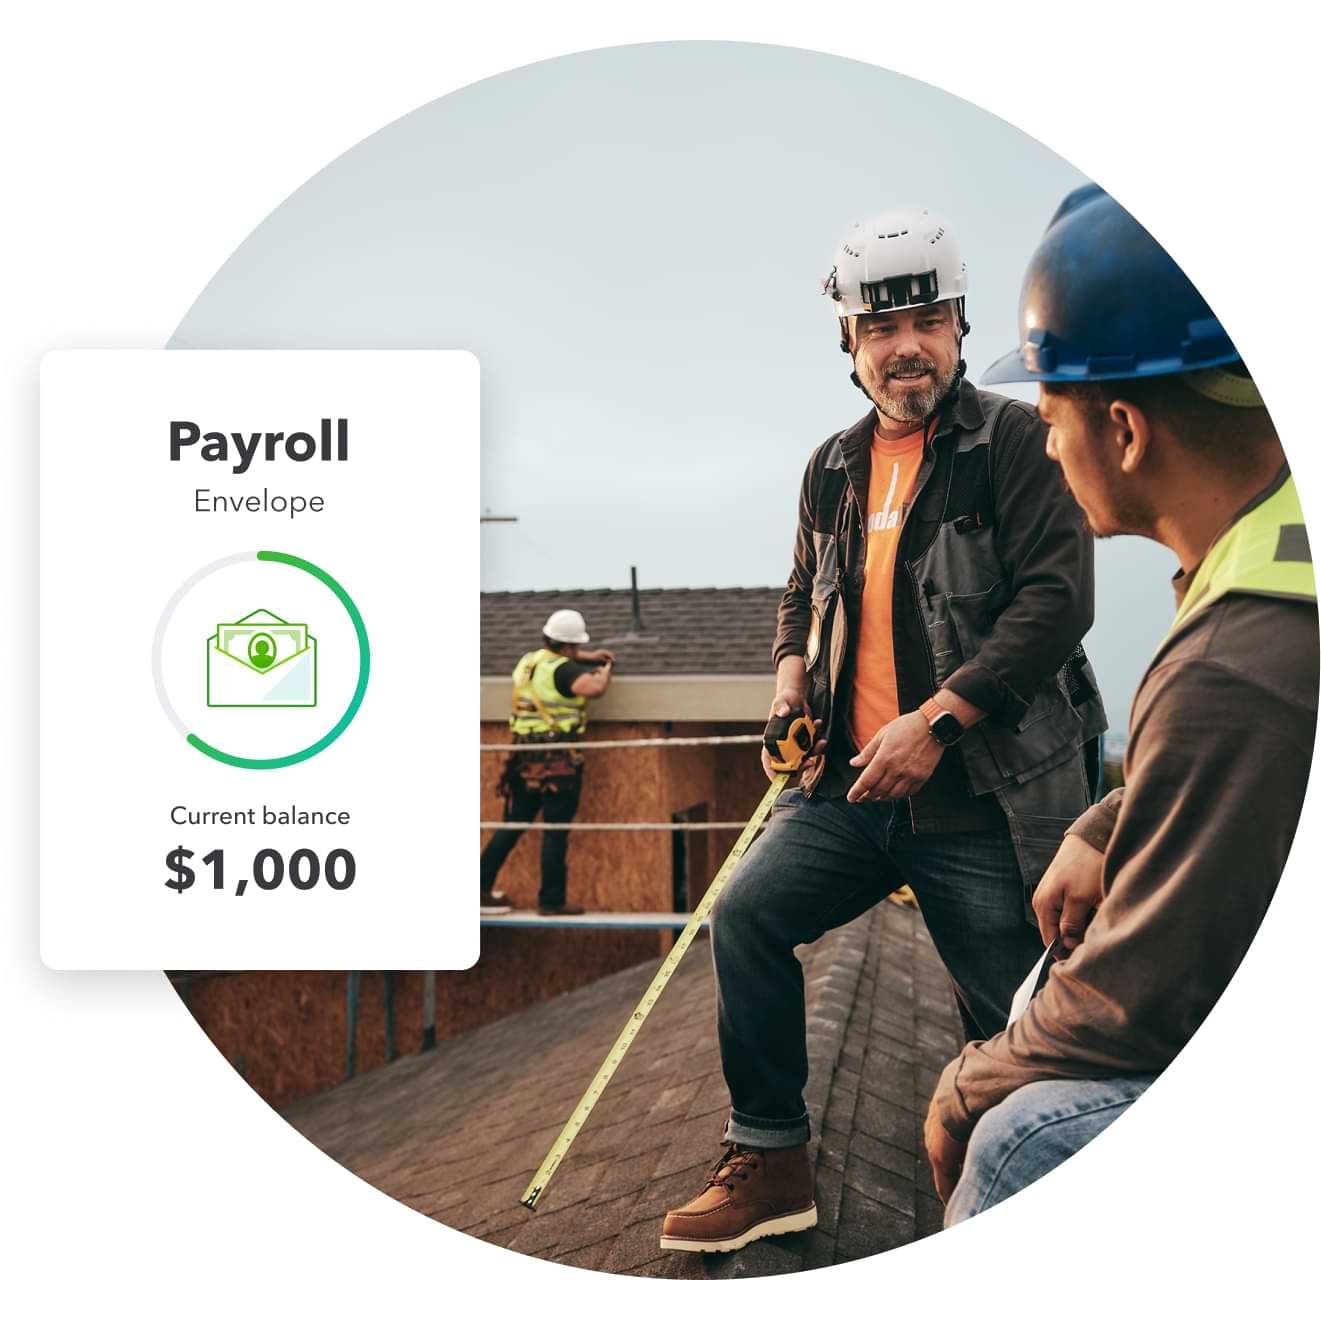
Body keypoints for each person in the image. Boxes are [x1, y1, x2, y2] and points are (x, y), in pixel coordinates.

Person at [659, 208, 1107, 1254]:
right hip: (849, 795)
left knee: (1015, 1027)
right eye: (880, 327)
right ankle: (770, 1159)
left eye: (926, 320)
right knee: (749, 919)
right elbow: (795, 592)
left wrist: (938, 724)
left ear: (956, 325)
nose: (905, 345)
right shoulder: (831, 466)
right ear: (849, 344)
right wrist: (788, 681)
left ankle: (1017, 1201)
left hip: (978, 801)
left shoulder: (1013, 442)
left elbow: (1057, 600)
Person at [924, 184, 1317, 1223]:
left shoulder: (1235, 657)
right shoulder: (1269, 549)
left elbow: (1125, 1010)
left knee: (1017, 1142)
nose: (1046, 449)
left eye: (1053, 421)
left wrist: (964, 1085)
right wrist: (1110, 819)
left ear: (1126, 429)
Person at [480, 609, 613, 916]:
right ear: (568, 647)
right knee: (554, 829)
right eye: (576, 648)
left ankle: (479, 887)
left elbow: (557, 667)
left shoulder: (529, 662)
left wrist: (587, 657)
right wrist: (603, 671)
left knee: (516, 822)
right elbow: (592, 689)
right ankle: (552, 900)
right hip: (557, 763)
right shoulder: (565, 670)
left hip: (525, 758)